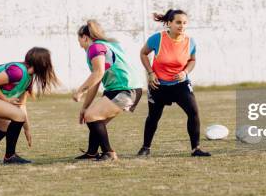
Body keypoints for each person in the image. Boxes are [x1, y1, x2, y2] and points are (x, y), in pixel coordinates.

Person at [137, 9, 210, 157]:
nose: (181, 26)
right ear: (169, 23)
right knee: (153, 117)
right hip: (158, 85)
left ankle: (195, 149)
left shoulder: (190, 42)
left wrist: (185, 72)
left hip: (181, 85)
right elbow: (143, 53)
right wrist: (150, 73)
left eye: (184, 23)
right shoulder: (157, 39)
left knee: (193, 112)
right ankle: (146, 148)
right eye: (178, 22)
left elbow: (192, 60)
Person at [0, 47, 59, 164]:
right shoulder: (18, 72)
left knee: (6, 127)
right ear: (42, 63)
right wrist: (6, 99)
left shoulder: (28, 79)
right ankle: (10, 156)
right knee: (17, 116)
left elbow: (22, 105)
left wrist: (27, 129)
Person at [73, 20, 143, 161]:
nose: (79, 44)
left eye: (79, 40)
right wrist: (84, 107)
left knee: (93, 116)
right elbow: (96, 81)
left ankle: (109, 153)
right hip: (122, 88)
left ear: (84, 37)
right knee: (93, 116)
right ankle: (92, 153)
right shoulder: (109, 45)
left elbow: (97, 73)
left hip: (125, 89)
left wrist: (80, 91)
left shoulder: (95, 47)